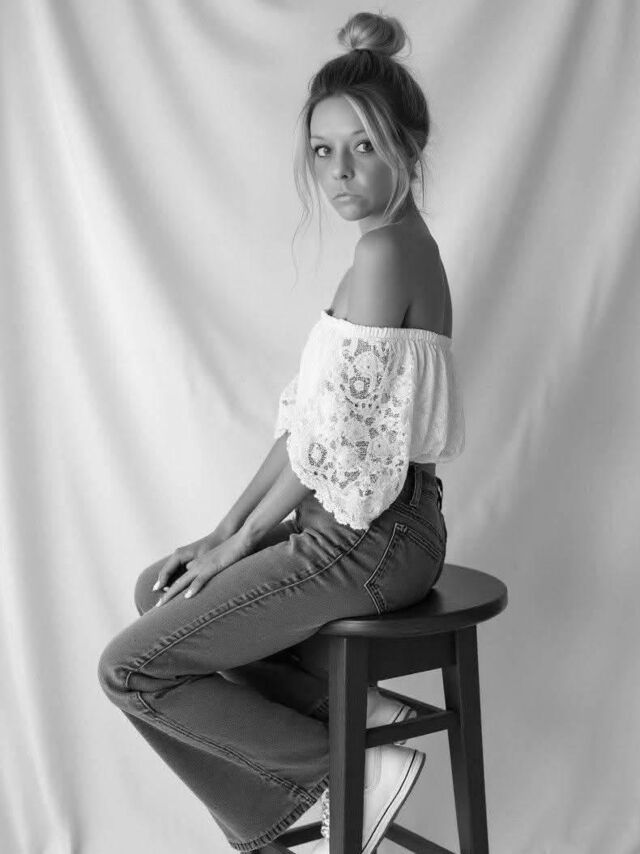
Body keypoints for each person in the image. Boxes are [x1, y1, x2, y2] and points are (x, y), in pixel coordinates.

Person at [97, 11, 465, 854]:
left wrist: (240, 545)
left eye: (364, 147)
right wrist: (223, 533)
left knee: (130, 669)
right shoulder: (385, 250)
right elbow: (307, 426)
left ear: (410, 147)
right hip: (366, 526)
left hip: (370, 536)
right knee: (163, 588)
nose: (340, 172)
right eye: (323, 150)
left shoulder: (387, 257)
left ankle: (343, 769)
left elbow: (333, 451)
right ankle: (356, 714)